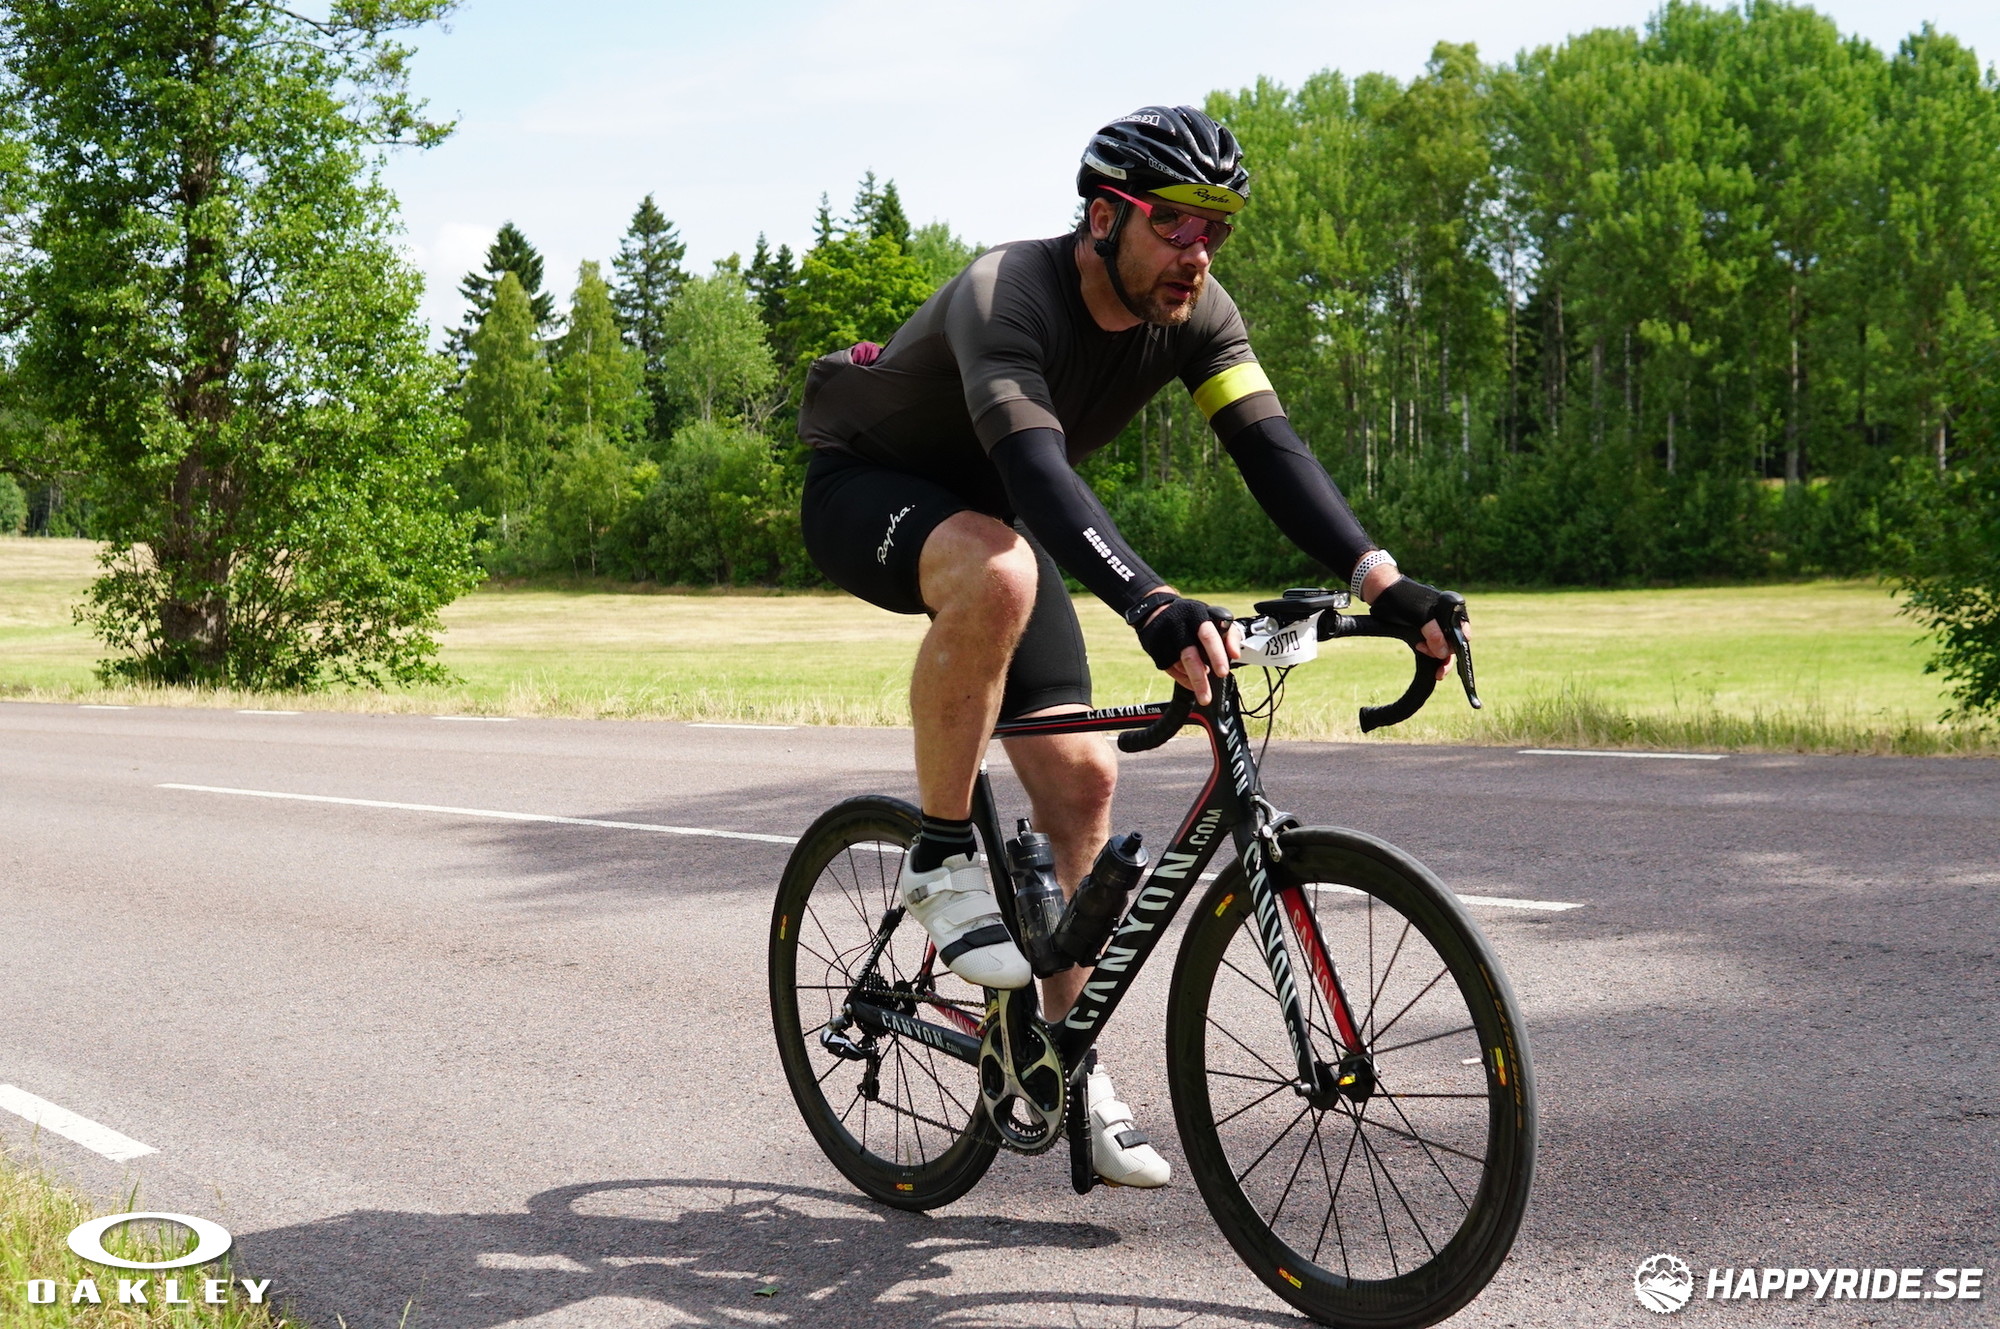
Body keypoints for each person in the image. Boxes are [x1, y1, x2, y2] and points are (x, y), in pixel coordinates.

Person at [797, 105, 1459, 1188]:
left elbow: (1270, 449)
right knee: (1001, 571)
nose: (1199, 251)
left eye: (1217, 229)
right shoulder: (1007, 291)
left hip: (1000, 525)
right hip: (869, 488)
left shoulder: (1196, 314)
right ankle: (938, 855)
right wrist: (1150, 601)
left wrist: (1384, 584)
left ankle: (1067, 1068)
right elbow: (1036, 467)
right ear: (1104, 216)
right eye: (1176, 223)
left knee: (1084, 783)